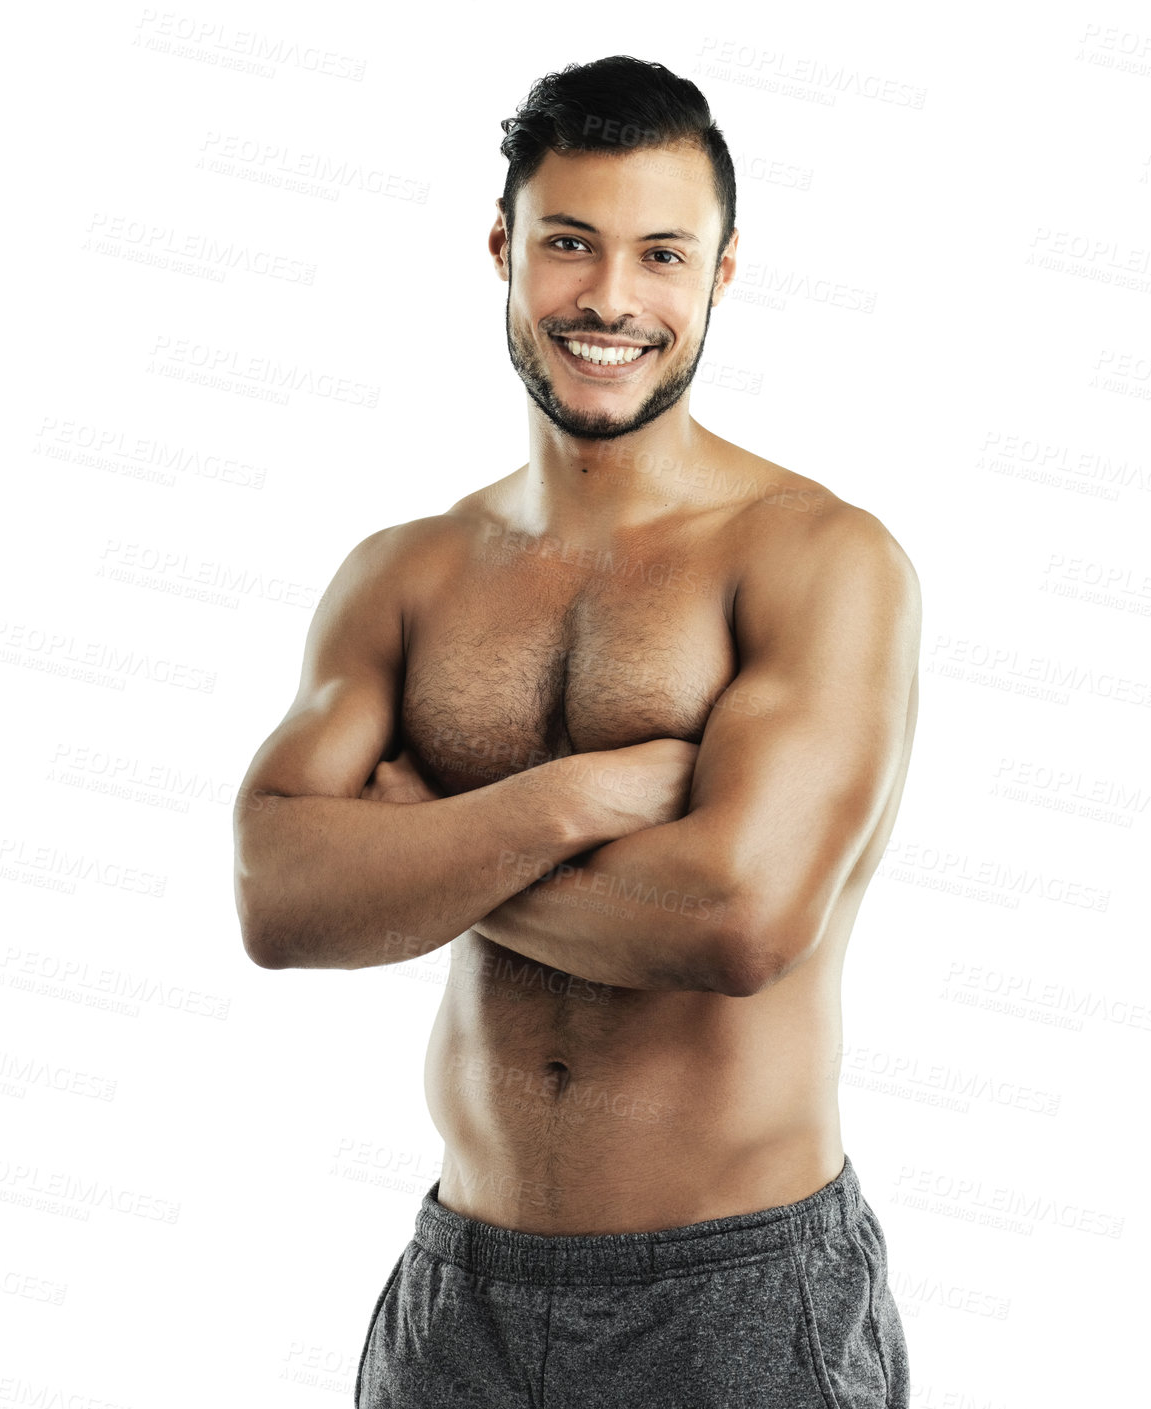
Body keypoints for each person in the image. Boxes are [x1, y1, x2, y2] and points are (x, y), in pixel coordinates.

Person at [234, 54, 917, 1409]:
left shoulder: (817, 559)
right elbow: (277, 897)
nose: (609, 297)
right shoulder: (406, 571)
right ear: (501, 248)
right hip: (460, 1293)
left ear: (720, 273)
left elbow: (735, 922)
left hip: (733, 1294)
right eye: (567, 243)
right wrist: (570, 800)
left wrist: (416, 846)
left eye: (661, 253)